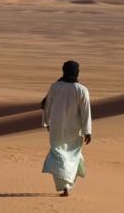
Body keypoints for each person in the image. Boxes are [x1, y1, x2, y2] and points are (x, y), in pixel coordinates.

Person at [41, 60, 92, 197]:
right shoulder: (82, 90)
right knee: (72, 156)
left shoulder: (55, 87)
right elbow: (86, 112)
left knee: (59, 155)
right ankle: (67, 186)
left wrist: (46, 122)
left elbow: (47, 106)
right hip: (75, 130)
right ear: (77, 72)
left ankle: (65, 186)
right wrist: (87, 131)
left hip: (57, 128)